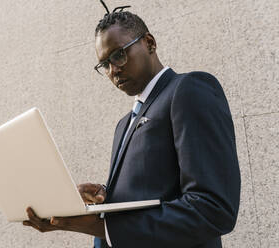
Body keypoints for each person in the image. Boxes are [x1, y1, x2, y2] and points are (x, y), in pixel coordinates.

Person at [22, 4, 241, 248]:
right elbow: (154, 190)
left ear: (149, 43)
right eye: (104, 64)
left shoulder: (188, 89)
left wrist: (98, 226)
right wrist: (104, 197)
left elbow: (212, 208)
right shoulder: (123, 124)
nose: (113, 70)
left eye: (118, 55)